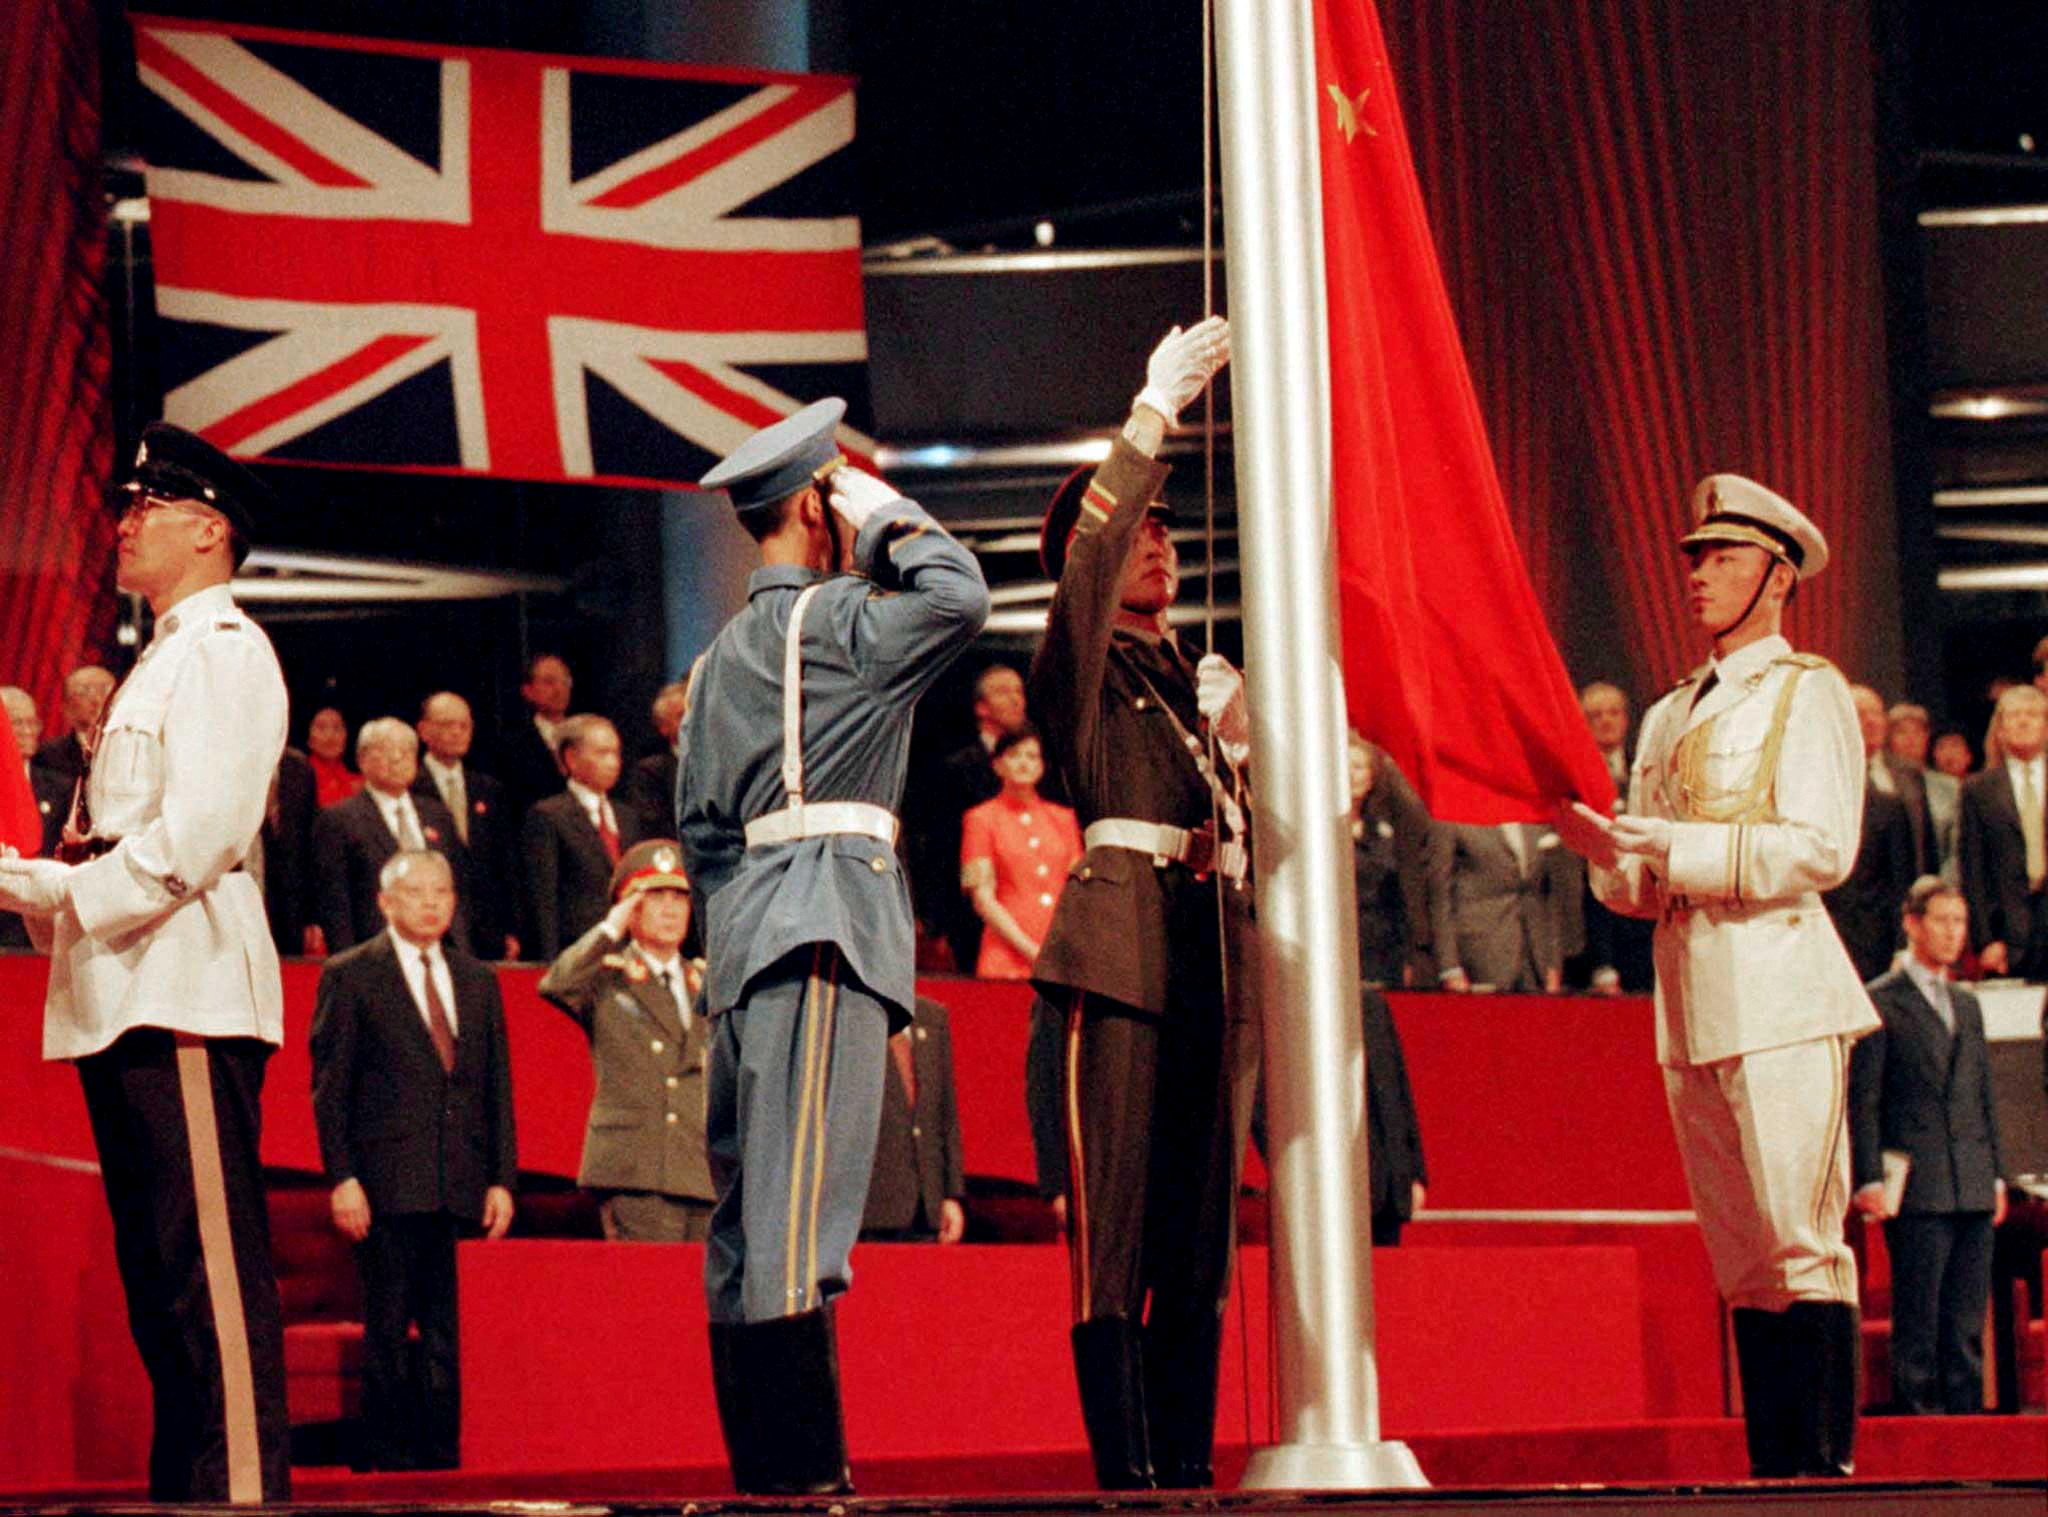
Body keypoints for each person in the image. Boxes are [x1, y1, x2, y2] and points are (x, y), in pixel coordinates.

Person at [678, 398, 987, 1493]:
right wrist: (884, 515)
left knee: (748, 1218)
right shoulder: (847, 619)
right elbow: (959, 595)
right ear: (816, 499)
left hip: (754, 930)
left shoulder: (716, 662)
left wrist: (751, 911)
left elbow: (703, 832)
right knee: (802, 1215)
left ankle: (769, 1472)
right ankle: (803, 1483)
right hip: (826, 928)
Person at [1556, 472, 1873, 1478]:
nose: (1696, 573)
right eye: (1693, 555)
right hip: (1690, 996)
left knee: (1796, 1238)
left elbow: (1823, 847)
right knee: (1739, 1257)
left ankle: (1821, 1472)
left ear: (1776, 577)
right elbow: (1640, 888)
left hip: (1780, 985)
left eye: (1722, 557)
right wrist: (1600, 847)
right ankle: (1774, 1469)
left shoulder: (1805, 688)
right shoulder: (1664, 713)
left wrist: (1683, 849)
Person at [0, 422, 292, 1499]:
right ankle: (194, 1485)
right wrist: (34, 881)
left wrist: (62, 887)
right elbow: (111, 843)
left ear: (208, 529)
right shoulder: (160, 660)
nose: (122, 524)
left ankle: (243, 1490)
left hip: (188, 986)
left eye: (145, 507)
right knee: (162, 1279)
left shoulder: (223, 650)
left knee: (208, 1273)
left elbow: (198, 835)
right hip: (129, 982)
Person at [1028, 317, 1253, 1491]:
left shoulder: (1190, 685)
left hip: (1212, 960)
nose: (1154, 546)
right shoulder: (1076, 662)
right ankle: (1127, 1475)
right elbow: (1088, 564)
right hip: (1117, 954)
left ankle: (1186, 1463)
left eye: (1169, 531)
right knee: (1110, 1238)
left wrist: (1249, 744)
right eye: (1135, 532)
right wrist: (1148, 415)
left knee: (1197, 1237)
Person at [309, 849, 516, 1471]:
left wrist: (502, 1179)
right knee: (390, 1330)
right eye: (416, 891)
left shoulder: (477, 979)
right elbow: (330, 1088)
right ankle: (386, 1463)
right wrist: (342, 1177)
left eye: (441, 891)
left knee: (453, 1337)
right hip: (386, 1188)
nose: (431, 902)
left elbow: (496, 1089)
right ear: (385, 901)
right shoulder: (351, 974)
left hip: (461, 1184)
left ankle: (448, 1458)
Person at [1849, 877, 2009, 1413]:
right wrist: (1868, 1178)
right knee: (1918, 1324)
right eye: (1940, 920)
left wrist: (1996, 1176)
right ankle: (1920, 1437)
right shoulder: (1881, 1000)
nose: (1951, 932)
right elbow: (1865, 1101)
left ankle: (1967, 1435)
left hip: (1972, 1182)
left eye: (1959, 922)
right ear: (1912, 924)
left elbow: (1984, 1095)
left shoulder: (1967, 1005)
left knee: (1966, 1327)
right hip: (1917, 1187)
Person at [538, 839, 714, 1241]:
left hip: (698, 1169)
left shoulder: (704, 981)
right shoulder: (607, 977)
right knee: (648, 1294)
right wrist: (610, 928)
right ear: (629, 907)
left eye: (679, 898)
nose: (670, 909)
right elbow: (556, 983)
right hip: (637, 1169)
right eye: (654, 897)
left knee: (699, 1299)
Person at [912, 662, 1035, 971]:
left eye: (1019, 691)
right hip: (969, 915)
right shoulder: (953, 770)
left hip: (1032, 910)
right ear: (981, 707)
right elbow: (938, 850)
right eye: (1003, 692)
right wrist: (935, 920)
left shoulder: (1045, 770)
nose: (1015, 700)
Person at [310, 717, 469, 956]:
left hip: (444, 949)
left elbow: (460, 884)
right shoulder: (339, 819)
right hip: (375, 952)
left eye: (406, 751)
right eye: (385, 750)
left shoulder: (437, 815)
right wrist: (348, 960)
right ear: (362, 760)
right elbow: (336, 904)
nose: (397, 758)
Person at [959, 725, 1083, 979]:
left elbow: (1077, 891)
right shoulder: (981, 818)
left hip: (1059, 949)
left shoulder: (1064, 818)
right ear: (997, 765)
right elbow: (983, 898)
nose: (1024, 763)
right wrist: (1030, 949)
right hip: (1004, 954)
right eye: (1015, 755)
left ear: (1042, 766)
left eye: (1031, 756)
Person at [521, 714, 648, 959]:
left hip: (628, 950)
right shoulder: (549, 815)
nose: (613, 762)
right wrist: (550, 962)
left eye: (616, 753)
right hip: (578, 950)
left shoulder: (627, 817)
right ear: (570, 758)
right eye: (602, 753)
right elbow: (543, 900)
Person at [414, 691, 519, 960]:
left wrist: (511, 927)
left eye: (465, 725)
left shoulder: (489, 789)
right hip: (430, 923)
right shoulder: (410, 787)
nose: (458, 732)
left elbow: (505, 865)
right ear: (424, 731)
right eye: (448, 725)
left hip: (487, 928)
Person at [1346, 730, 1453, 989]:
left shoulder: (1384, 827)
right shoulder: (1321, 831)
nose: (1350, 775)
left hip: (1384, 952)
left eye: (1358, 767)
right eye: (1344, 766)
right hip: (1343, 945)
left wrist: (1407, 954)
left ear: (1372, 776)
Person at [1956, 683, 2048, 982]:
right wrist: (1985, 940)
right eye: (2014, 715)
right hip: (2008, 935)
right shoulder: (1978, 790)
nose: (2023, 721)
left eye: (2033, 715)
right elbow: (1973, 870)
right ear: (2000, 729)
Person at [860, 994, 967, 1244]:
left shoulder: (932, 1016)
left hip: (927, 1207)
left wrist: (951, 1195)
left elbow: (945, 1113)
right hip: (871, 1209)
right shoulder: (855, 1015)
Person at [1572, 684, 1655, 993]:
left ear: (1626, 719)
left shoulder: (1645, 770)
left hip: (1645, 923)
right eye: (1595, 715)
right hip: (1593, 929)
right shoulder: (1572, 779)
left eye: (1614, 713)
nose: (1606, 721)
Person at [1438, 820, 1577, 992]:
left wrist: (1553, 962)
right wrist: (1449, 967)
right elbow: (1439, 897)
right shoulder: (1454, 816)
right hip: (1480, 952)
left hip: (1535, 956)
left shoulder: (1533, 816)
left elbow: (1548, 895)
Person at [1360, 986, 1427, 1245]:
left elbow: (1399, 1092)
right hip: (1333, 1193)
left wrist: (1414, 1172)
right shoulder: (1296, 1010)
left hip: (1387, 1189)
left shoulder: (1372, 1004)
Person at [497, 653, 574, 817]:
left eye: (565, 681)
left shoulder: (585, 735)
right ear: (528, 691)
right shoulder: (512, 746)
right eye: (549, 682)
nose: (559, 689)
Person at [1890, 702, 1960, 881]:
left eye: (1918, 732)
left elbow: (1957, 847)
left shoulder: (1950, 788)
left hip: (1940, 887)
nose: (1911, 739)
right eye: (1902, 732)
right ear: (1889, 738)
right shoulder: (1882, 786)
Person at [30, 663, 114, 784]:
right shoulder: (48, 756)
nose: (97, 700)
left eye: (105, 690)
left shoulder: (133, 750)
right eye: (85, 691)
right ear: (65, 707)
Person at [624, 679, 690, 831]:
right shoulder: (650, 772)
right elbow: (654, 825)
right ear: (663, 728)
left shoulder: (724, 763)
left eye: (695, 712)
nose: (691, 720)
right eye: (681, 715)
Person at [306, 706, 363, 809]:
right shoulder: (298, 779)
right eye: (321, 728)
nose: (330, 735)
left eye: (337, 728)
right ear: (309, 739)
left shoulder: (361, 783)